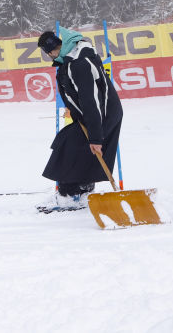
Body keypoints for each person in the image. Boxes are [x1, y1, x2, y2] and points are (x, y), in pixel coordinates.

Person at [37, 28, 123, 209]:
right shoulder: (72, 58)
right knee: (73, 144)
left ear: (53, 51)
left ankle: (70, 195)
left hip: (102, 114)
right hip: (97, 113)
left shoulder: (78, 64)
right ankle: (82, 190)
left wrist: (95, 137)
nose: (50, 57)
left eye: (48, 54)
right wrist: (75, 112)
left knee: (69, 146)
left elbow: (90, 100)